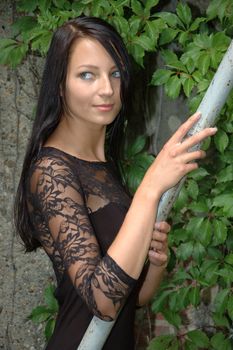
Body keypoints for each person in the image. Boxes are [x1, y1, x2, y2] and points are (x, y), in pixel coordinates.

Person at [14, 16, 217, 350]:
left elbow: (133, 299)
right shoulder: (51, 169)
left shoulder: (103, 168)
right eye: (87, 75)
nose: (107, 88)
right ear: (59, 84)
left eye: (115, 73)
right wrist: (150, 190)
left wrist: (155, 262)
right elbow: (103, 301)